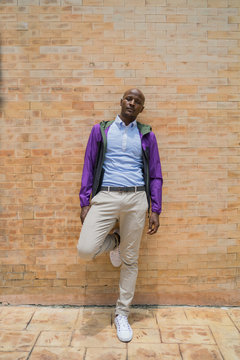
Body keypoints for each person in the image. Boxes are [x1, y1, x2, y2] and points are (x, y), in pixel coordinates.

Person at [77, 88, 163, 342]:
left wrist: (155, 208)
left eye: (138, 101)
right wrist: (84, 201)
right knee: (85, 249)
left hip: (137, 199)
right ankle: (115, 241)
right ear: (121, 101)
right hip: (106, 196)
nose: (132, 103)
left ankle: (122, 314)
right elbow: (89, 165)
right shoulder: (101, 130)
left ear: (141, 109)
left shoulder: (146, 134)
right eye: (129, 98)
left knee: (130, 260)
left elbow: (156, 173)